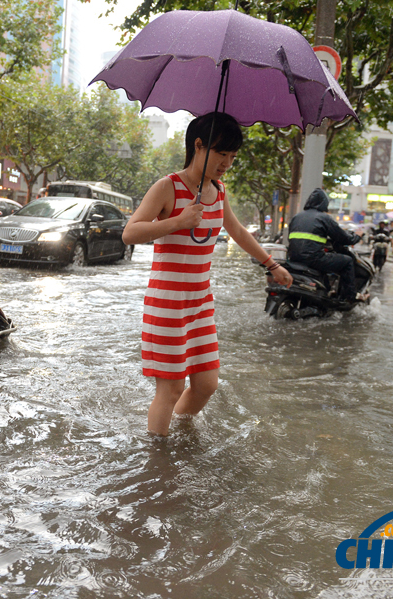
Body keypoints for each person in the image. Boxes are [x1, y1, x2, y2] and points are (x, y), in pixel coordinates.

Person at [122, 112, 292, 437]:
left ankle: (180, 439)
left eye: (232, 156)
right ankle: (157, 462)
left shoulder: (219, 192)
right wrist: (175, 222)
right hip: (167, 304)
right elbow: (130, 234)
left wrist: (272, 265)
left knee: (206, 385)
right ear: (198, 145)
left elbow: (239, 232)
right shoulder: (167, 187)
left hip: (200, 303)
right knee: (169, 390)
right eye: (221, 153)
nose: (227, 162)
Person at [287, 188, 364, 302]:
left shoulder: (296, 217)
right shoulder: (324, 218)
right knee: (347, 261)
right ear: (324, 204)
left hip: (293, 259)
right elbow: (343, 238)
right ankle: (349, 297)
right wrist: (357, 236)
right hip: (313, 259)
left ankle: (327, 290)